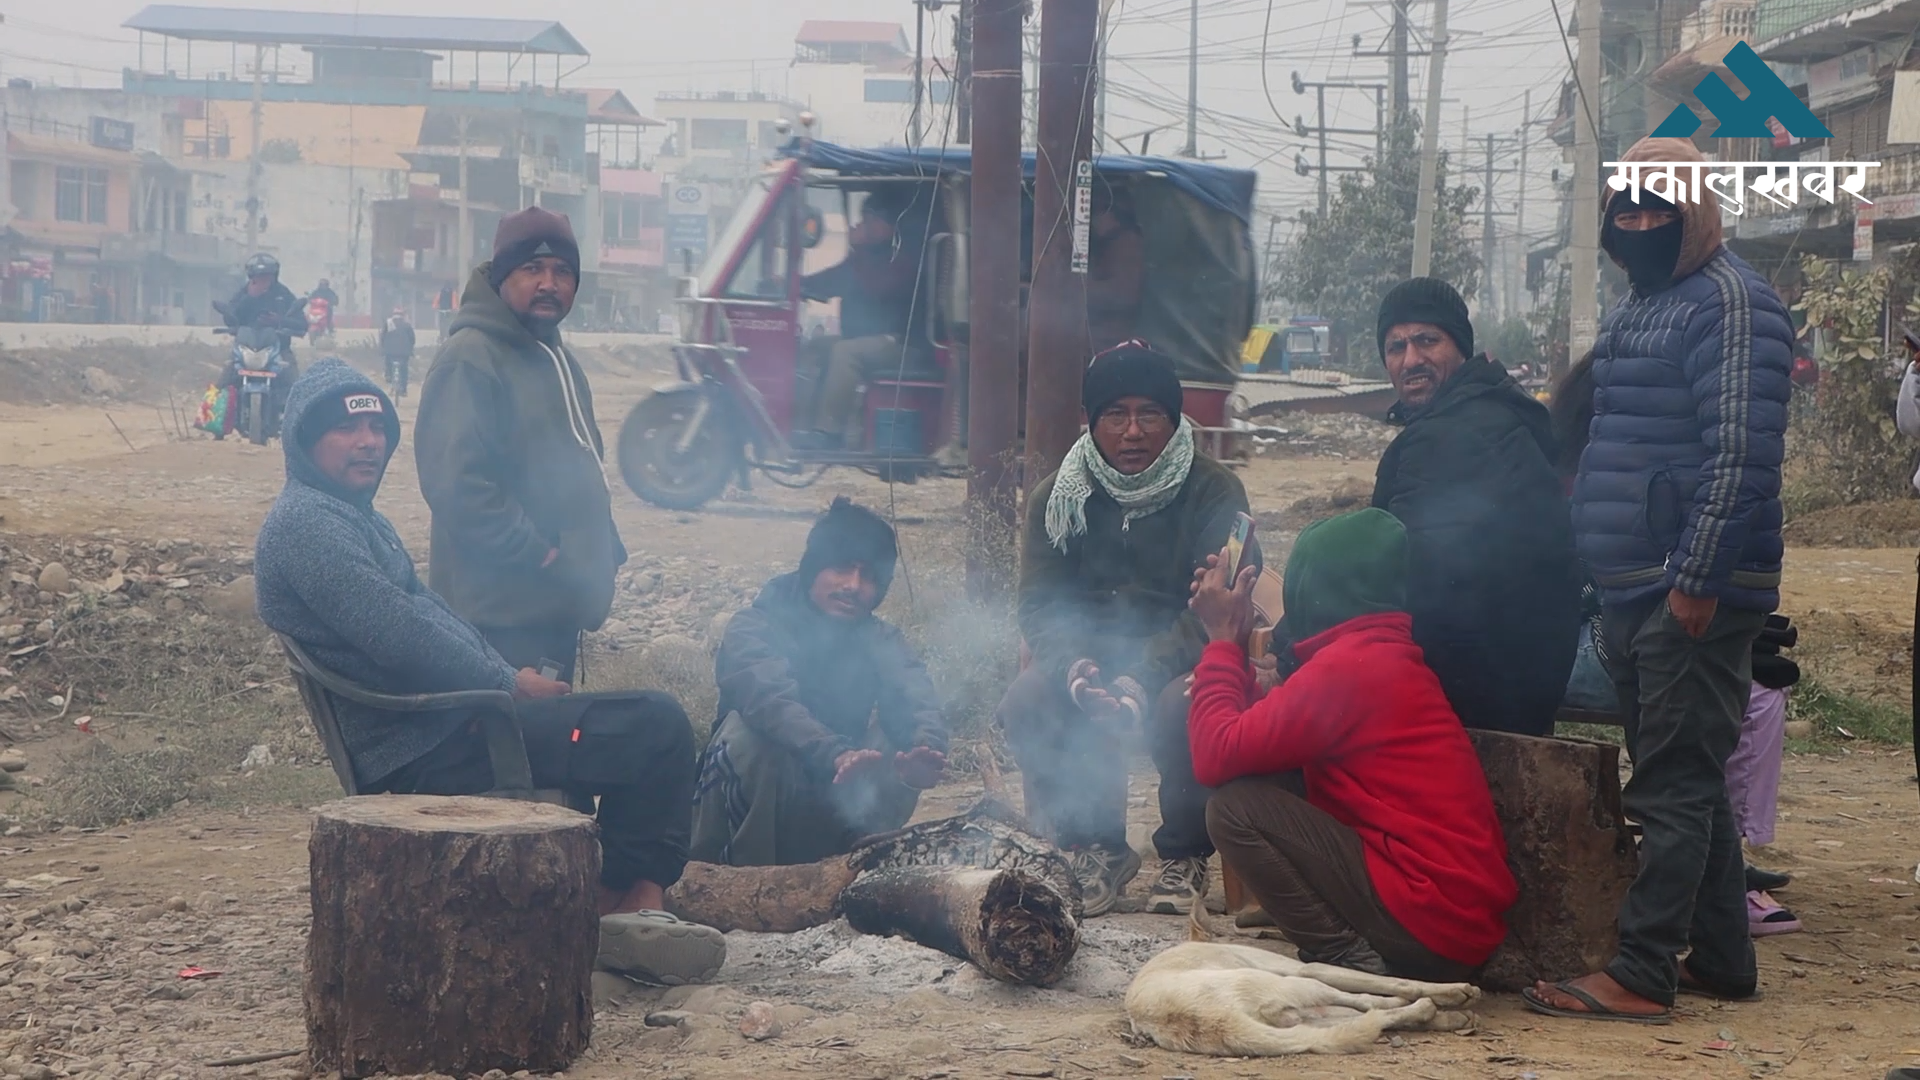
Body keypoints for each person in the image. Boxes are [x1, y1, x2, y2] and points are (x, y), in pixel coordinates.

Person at [254, 358, 724, 984]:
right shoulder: (306, 524)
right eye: (345, 431)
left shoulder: (349, 515)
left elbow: (428, 613)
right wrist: (506, 685)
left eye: (377, 431)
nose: (368, 443)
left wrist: (503, 671)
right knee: (654, 726)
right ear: (304, 440)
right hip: (428, 749)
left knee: (626, 723)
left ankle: (626, 904)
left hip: (454, 724)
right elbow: (398, 633)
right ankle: (625, 907)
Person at [1528, 135, 1793, 1023]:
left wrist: (1698, 576)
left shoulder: (1730, 304)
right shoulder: (1646, 304)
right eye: (1624, 209)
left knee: (1671, 785)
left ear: (1696, 212)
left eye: (1657, 208)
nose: (1638, 222)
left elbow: (1742, 457)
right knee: (1688, 775)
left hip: (1691, 587)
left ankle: (1643, 971)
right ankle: (1721, 956)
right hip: (1637, 582)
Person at [1188, 508, 1518, 980]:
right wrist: (1234, 650)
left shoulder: (1350, 669)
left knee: (1233, 809)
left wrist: (1221, 640)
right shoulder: (1374, 654)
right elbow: (1249, 739)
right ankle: (1357, 942)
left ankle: (1347, 956)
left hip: (1432, 924)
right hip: (1448, 918)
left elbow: (1213, 755)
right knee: (1264, 773)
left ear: (1314, 589)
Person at [997, 342, 1258, 918]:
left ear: (1174, 419)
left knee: (1181, 706)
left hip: (1181, 655)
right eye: (1116, 414)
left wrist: (1142, 675)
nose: (1133, 431)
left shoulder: (1215, 491)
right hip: (1088, 654)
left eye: (1151, 414)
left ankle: (1185, 852)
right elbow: (1039, 604)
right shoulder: (1058, 498)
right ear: (1092, 422)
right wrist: (1072, 668)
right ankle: (1096, 846)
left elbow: (1216, 607)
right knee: (1029, 698)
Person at [414, 208, 625, 685]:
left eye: (563, 272)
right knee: (508, 752)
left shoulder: (557, 358)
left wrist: (603, 548)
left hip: (551, 608)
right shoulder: (471, 357)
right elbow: (458, 486)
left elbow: (579, 467)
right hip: (500, 618)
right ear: (503, 276)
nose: (549, 283)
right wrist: (539, 553)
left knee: (549, 753)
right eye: (533, 269)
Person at [1369, 277, 1580, 737]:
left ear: (1460, 347)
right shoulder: (1491, 410)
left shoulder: (1460, 433)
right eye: (1396, 346)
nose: (1411, 360)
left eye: (1427, 341)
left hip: (1479, 693)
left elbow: (1395, 568)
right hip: (1514, 677)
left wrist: (1292, 649)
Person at [691, 498, 949, 866]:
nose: (853, 586)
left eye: (869, 576)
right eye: (843, 568)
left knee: (896, 740)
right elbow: (771, 702)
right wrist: (835, 752)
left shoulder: (880, 639)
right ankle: (746, 877)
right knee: (749, 737)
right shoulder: (755, 626)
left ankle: (859, 862)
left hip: (831, 800)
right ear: (813, 568)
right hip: (747, 820)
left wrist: (924, 749)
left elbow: (917, 696)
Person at [794, 188, 930, 448]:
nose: (861, 226)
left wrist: (858, 249)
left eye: (868, 220)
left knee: (846, 352)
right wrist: (795, 285)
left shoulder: (903, 257)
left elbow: (874, 287)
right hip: (871, 340)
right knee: (816, 347)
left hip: (904, 344)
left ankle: (828, 433)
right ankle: (801, 425)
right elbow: (833, 279)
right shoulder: (867, 256)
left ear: (887, 225)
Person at [220, 253, 308, 435]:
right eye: (258, 277)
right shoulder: (244, 293)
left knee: (295, 384)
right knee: (223, 381)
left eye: (266, 276)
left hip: (278, 349)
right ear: (251, 278)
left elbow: (301, 323)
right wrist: (250, 298)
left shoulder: (283, 294)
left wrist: (280, 321)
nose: (262, 280)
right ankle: (216, 425)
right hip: (245, 348)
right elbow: (230, 317)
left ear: (274, 276)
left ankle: (300, 427)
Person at [1086, 187, 1145, 353]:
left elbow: (1123, 295)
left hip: (1112, 333)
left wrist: (1076, 287)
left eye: (1096, 212)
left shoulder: (1128, 244)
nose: (1092, 220)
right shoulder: (1105, 244)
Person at [379, 306, 416, 398]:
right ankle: (403, 390)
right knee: (404, 369)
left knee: (388, 363)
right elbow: (412, 339)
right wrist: (411, 349)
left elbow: (382, 337)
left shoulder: (388, 323)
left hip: (390, 352)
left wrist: (383, 348)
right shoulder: (407, 325)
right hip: (404, 353)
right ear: (403, 315)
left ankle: (389, 377)